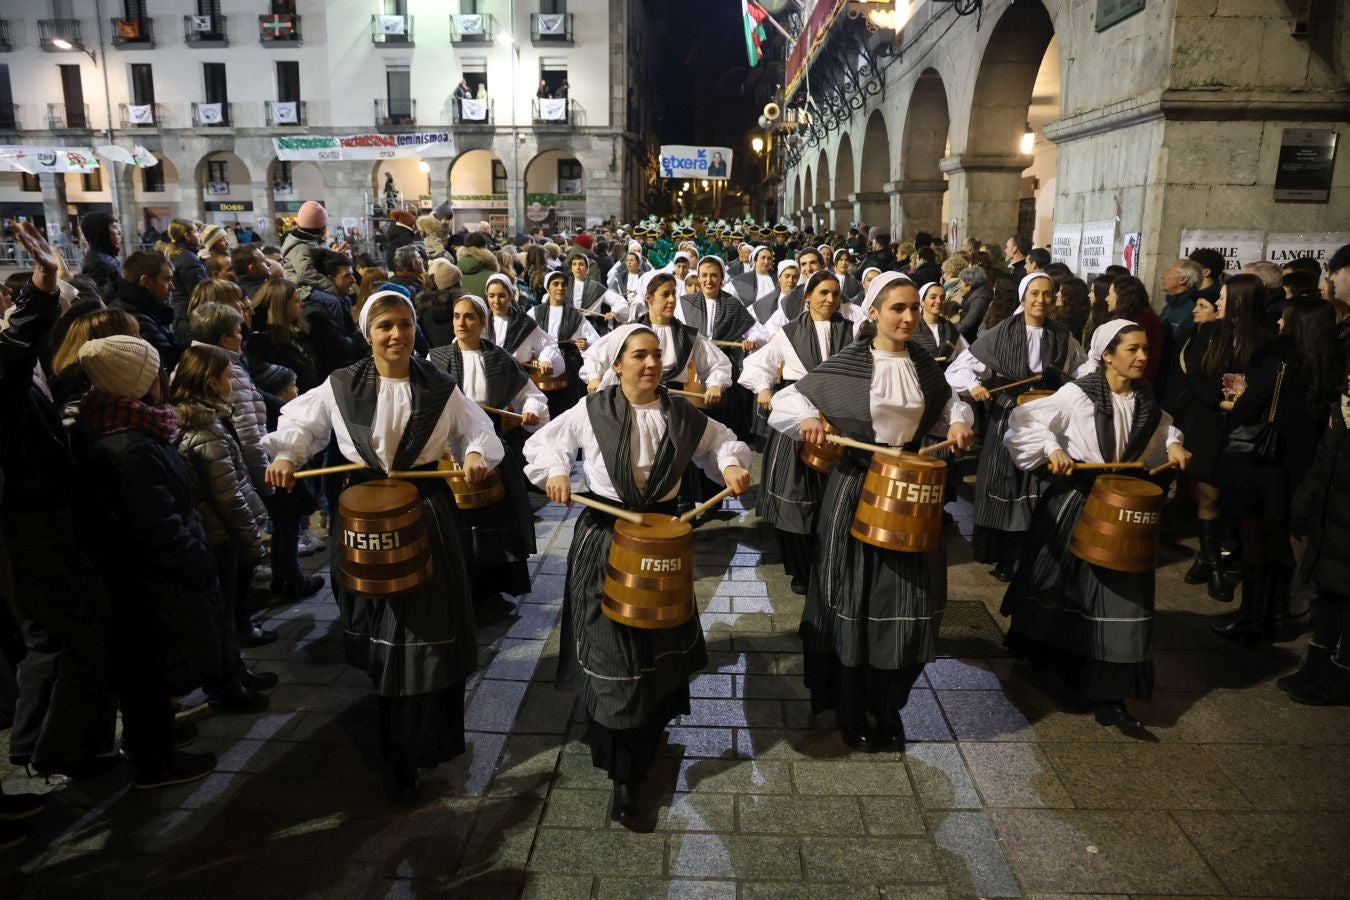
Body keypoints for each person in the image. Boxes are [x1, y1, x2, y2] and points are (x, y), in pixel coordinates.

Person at [264, 291, 502, 800]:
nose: (396, 335)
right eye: (385, 326)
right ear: (368, 332)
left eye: (405, 325)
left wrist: (478, 452)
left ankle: (420, 744)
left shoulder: (441, 386)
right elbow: (303, 423)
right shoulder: (341, 384)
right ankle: (396, 743)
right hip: (366, 513)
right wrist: (287, 455)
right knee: (382, 626)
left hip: (426, 513)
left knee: (426, 625)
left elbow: (476, 429)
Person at [523, 324, 751, 823]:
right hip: (605, 536)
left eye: (656, 356)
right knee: (612, 646)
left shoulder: (682, 414)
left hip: (663, 538)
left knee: (655, 644)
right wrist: (557, 472)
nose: (650, 364)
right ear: (617, 364)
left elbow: (722, 442)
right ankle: (623, 776)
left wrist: (730, 466)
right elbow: (544, 445)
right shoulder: (592, 409)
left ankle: (642, 739)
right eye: (639, 356)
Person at [768, 279, 975, 752]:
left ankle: (888, 704)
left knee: (906, 600)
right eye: (897, 309)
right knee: (856, 597)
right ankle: (850, 706)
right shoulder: (849, 363)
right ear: (875, 313)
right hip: (858, 486)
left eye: (914, 309)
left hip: (911, 489)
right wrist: (808, 420)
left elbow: (948, 406)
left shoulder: (923, 363)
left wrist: (960, 421)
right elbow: (791, 397)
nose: (908, 318)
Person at [1001, 320, 1190, 730]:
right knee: (1066, 585)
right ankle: (1055, 663)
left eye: (1144, 350)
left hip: (1121, 508)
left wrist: (1173, 443)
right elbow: (1024, 420)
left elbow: (1162, 427)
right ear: (1107, 355)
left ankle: (1112, 694)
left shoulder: (1145, 398)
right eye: (1132, 350)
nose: (1142, 357)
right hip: (1080, 501)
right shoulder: (1077, 395)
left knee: (1122, 597)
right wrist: (1052, 447)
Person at [73, 335, 220, 788]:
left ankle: (156, 740)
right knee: (149, 670)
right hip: (149, 579)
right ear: (137, 383)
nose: (165, 378)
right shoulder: (130, 446)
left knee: (147, 669)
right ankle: (154, 761)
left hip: (141, 575)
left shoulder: (118, 426)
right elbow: (158, 524)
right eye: (156, 371)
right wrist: (198, 559)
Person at [1211, 292, 1340, 646]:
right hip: (1298, 467)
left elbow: (1250, 408)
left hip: (1263, 464)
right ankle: (1277, 614)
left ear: (1297, 324)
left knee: (1256, 545)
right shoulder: (1330, 363)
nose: (1279, 322)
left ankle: (1253, 617)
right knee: (1281, 546)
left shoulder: (1277, 357)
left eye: (1285, 317)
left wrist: (1239, 397)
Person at [946, 272, 1091, 581]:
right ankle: (1006, 555)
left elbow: (1083, 367)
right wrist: (974, 386)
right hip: (1010, 412)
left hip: (1049, 415)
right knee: (1007, 480)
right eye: (1034, 293)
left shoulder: (1062, 334)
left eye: (1047, 294)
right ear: (1023, 297)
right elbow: (960, 368)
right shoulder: (1002, 332)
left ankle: (1033, 552)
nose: (1041, 299)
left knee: (1040, 482)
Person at [169, 345, 277, 712]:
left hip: (220, 532)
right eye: (228, 377)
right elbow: (227, 496)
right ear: (212, 383)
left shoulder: (206, 420)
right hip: (220, 535)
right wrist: (252, 542)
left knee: (228, 612)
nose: (234, 382)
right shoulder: (206, 429)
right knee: (223, 613)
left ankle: (236, 670)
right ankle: (226, 685)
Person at [427, 295, 547, 611]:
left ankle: (491, 590)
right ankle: (457, 586)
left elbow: (532, 396)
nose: (462, 323)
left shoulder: (499, 359)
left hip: (491, 451)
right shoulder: (436, 359)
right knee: (456, 525)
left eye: (469, 317)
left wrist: (531, 410)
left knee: (491, 525)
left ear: (482, 323)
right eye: (456, 316)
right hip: (448, 455)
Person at [741, 270, 857, 594]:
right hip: (796, 419)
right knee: (796, 497)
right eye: (822, 293)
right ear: (807, 297)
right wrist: (764, 388)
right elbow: (758, 364)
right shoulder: (787, 333)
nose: (830, 299)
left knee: (835, 496)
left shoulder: (852, 332)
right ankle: (800, 569)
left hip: (837, 419)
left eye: (835, 293)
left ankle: (833, 562)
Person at [1285, 364, 1350, 706]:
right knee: (1329, 594)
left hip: (1344, 521)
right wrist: (1303, 505)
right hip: (1331, 520)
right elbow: (1323, 461)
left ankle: (1341, 675)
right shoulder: (1341, 411)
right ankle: (1318, 664)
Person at [110, 250, 180, 370]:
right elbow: (166, 363)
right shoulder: (135, 320)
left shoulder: (138, 307)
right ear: (146, 281)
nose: (172, 287)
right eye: (167, 280)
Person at [483, 272, 564, 375]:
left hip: (518, 381)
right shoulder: (481, 321)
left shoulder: (524, 323)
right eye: (491, 296)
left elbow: (548, 344)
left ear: (510, 296)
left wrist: (546, 359)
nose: (496, 301)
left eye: (501, 296)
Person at [155, 219, 207, 350]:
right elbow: (200, 293)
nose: (199, 235)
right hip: (189, 318)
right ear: (187, 236)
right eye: (196, 231)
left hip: (180, 314)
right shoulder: (189, 260)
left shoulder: (177, 254)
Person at [1105, 275, 1164, 384]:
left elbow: (1150, 362)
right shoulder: (1125, 318)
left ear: (1121, 296)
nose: (1106, 298)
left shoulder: (1146, 322)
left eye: (1109, 294)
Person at [911, 281, 967, 367]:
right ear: (922, 301)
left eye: (942, 298)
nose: (939, 301)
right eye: (933, 297)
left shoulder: (950, 329)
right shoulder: (911, 328)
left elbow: (966, 356)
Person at [79, 211, 123, 297]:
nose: (119, 232)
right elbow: (104, 299)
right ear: (101, 232)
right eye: (114, 227)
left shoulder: (105, 256)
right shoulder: (98, 264)